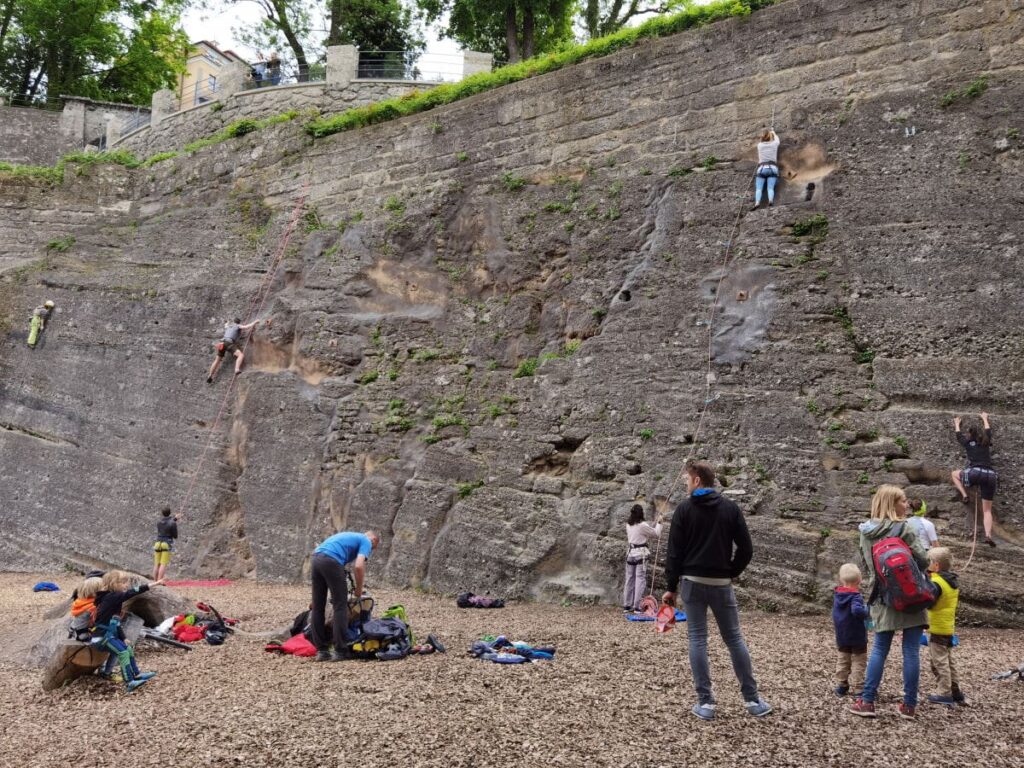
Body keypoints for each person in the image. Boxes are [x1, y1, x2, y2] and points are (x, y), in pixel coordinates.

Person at [663, 460, 772, 720]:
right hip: (721, 584)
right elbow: (746, 549)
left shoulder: (684, 510)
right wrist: (730, 572)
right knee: (734, 639)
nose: (686, 485)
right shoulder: (730, 509)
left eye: (687, 480)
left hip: (691, 581)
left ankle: (706, 703)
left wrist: (671, 588)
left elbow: (674, 553)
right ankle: (752, 700)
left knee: (697, 639)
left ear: (697, 480)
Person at [850, 485, 929, 719]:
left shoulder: (866, 532)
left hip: (883, 596)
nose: (907, 505)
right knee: (911, 651)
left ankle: (867, 701)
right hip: (911, 594)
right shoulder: (905, 527)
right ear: (892, 504)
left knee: (880, 649)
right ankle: (909, 705)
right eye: (903, 501)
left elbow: (869, 565)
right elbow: (923, 560)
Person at [309, 530, 380, 662]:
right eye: (373, 548)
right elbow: (359, 566)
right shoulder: (366, 540)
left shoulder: (348, 536)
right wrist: (359, 590)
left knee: (318, 607)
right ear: (374, 540)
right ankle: (340, 650)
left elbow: (325, 553)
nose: (370, 550)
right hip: (331, 561)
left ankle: (321, 651)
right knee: (340, 606)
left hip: (316, 559)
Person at [93, 570, 162, 691]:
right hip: (101, 637)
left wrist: (123, 638)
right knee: (123, 653)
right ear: (114, 583)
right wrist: (152, 585)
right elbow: (131, 593)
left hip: (109, 635)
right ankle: (129, 682)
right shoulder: (111, 597)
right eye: (123, 582)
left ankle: (136, 674)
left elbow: (116, 623)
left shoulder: (114, 601)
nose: (126, 585)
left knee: (128, 649)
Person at [950, 412, 997, 546]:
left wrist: (957, 424)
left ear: (970, 434)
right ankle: (988, 535)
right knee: (987, 510)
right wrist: (984, 418)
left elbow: (959, 436)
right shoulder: (986, 441)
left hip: (974, 473)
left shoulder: (968, 442)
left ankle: (965, 495)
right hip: (990, 475)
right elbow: (988, 430)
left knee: (954, 474)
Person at [925, 546, 964, 706]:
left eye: (929, 562)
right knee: (948, 660)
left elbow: (930, 602)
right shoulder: (952, 581)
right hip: (948, 627)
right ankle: (955, 691)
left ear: (936, 565)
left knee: (939, 662)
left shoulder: (937, 583)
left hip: (937, 628)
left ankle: (944, 693)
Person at [832, 563, 869, 697]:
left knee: (843, 659)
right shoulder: (855, 596)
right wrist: (867, 611)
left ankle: (842, 685)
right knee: (859, 661)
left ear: (841, 580)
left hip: (842, 635)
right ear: (859, 580)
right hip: (857, 635)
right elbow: (857, 610)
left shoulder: (837, 595)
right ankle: (858, 688)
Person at [623, 504, 662, 612]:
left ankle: (627, 605)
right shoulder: (642, 525)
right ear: (641, 513)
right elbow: (656, 533)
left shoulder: (628, 524)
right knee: (640, 579)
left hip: (630, 554)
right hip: (641, 555)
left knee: (629, 579)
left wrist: (652, 525)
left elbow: (643, 532)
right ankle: (637, 606)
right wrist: (659, 523)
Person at [207, 317, 263, 383]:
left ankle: (210, 375)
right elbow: (246, 327)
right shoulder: (238, 326)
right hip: (229, 343)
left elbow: (226, 325)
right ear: (238, 322)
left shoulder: (229, 326)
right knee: (241, 355)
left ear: (234, 321)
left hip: (222, 343)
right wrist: (255, 322)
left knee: (217, 360)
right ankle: (237, 369)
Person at [752, 130, 780, 210]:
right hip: (773, 168)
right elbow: (777, 139)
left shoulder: (759, 145)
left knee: (759, 188)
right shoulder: (774, 144)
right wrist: (774, 133)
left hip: (762, 169)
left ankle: (757, 202)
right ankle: (770, 200)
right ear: (770, 137)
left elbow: (762, 140)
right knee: (770, 188)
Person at [152, 506, 178, 581]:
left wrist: (175, 519)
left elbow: (166, 523)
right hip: (166, 544)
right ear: (170, 513)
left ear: (162, 513)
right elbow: (175, 536)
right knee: (163, 564)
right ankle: (160, 581)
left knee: (157, 563)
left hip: (157, 543)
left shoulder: (158, 522)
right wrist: (174, 521)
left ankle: (154, 581)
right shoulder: (172, 523)